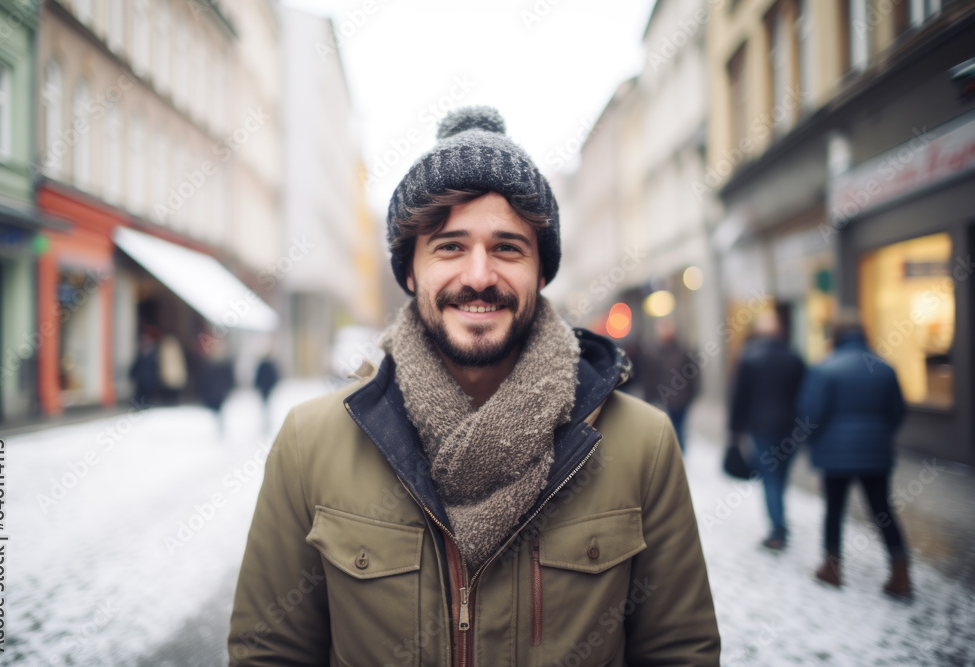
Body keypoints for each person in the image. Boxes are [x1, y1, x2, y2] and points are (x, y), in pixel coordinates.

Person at [228, 106, 720, 665]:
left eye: (508, 247)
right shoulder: (310, 442)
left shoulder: (643, 446)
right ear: (410, 271)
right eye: (450, 246)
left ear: (541, 270)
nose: (480, 276)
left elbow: (680, 651)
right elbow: (268, 653)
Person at [798, 310, 911, 598]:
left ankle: (832, 568)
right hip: (875, 453)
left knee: (834, 510)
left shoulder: (824, 369)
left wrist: (811, 441)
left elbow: (811, 414)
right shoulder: (885, 368)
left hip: (835, 456)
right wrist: (879, 436)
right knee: (882, 510)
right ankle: (900, 573)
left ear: (835, 335)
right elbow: (897, 412)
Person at [728, 309, 805, 550]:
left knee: (770, 477)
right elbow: (805, 395)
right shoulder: (794, 357)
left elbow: (739, 396)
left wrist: (734, 430)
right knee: (780, 476)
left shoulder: (749, 357)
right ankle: (780, 520)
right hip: (790, 427)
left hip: (760, 427)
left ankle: (777, 529)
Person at [641, 317, 699, 451]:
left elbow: (693, 376)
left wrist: (690, 396)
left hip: (680, 401)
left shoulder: (683, 352)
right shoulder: (653, 353)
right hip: (662, 402)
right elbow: (649, 379)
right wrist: (650, 398)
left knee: (679, 431)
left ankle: (680, 459)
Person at [128, 329, 159, 408]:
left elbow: (155, 367)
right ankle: (140, 408)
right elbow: (136, 365)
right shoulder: (141, 354)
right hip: (141, 380)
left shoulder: (152, 354)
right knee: (140, 396)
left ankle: (146, 407)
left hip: (148, 380)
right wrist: (132, 374)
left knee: (147, 396)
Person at [158, 333, 188, 405]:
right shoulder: (170, 348)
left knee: (171, 392)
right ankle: (171, 403)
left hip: (172, 375)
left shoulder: (167, 347)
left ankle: (171, 403)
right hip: (171, 375)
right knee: (170, 392)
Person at [253, 354, 280, 433]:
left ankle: (267, 421)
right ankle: (265, 422)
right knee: (265, 405)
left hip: (266, 388)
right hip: (264, 388)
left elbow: (273, 377)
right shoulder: (264, 365)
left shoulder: (268, 365)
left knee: (266, 405)